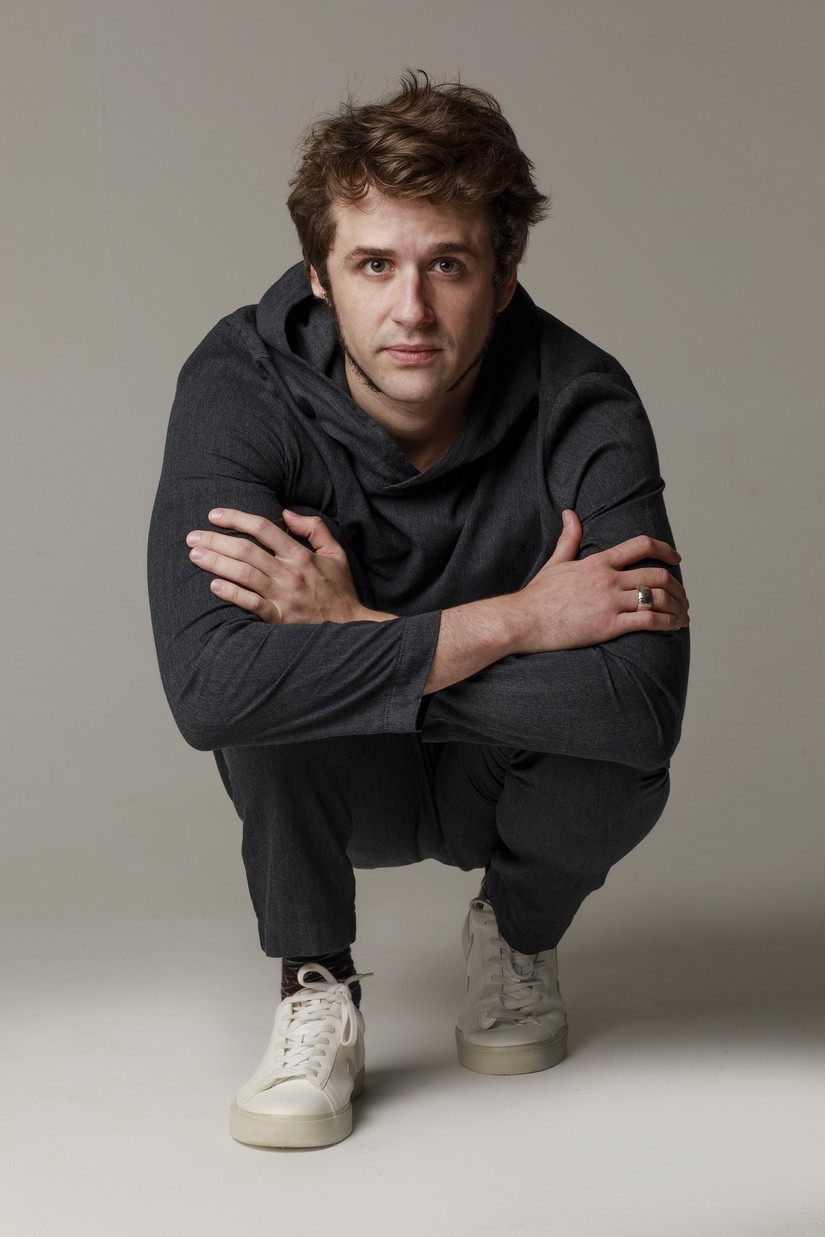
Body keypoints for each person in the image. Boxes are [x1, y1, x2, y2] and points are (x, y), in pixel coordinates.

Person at [148, 71, 689, 1150]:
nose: (411, 311)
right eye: (373, 265)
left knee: (613, 765)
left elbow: (640, 711)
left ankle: (515, 935)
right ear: (319, 276)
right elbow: (209, 690)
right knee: (262, 704)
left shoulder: (584, 397)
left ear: (503, 275)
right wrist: (521, 620)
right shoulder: (239, 383)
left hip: (505, 777)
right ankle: (315, 980)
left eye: (448, 264)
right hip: (341, 777)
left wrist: (352, 636)